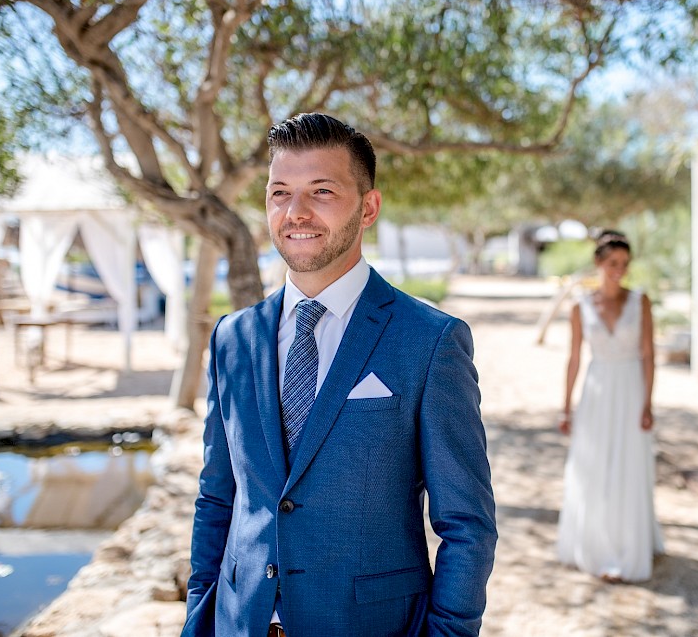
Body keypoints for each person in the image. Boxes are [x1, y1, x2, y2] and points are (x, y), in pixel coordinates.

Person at [182, 113, 497, 637]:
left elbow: (467, 525)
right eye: (279, 192)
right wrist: (199, 617)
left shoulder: (429, 340)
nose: (295, 211)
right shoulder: (231, 338)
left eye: (321, 191)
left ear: (368, 207)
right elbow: (219, 496)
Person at [556, 230, 664, 583]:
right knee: (596, 468)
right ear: (599, 263)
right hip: (596, 393)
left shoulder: (641, 302)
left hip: (631, 389)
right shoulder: (580, 307)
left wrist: (648, 402)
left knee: (630, 466)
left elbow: (648, 355)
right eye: (614, 263)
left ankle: (629, 547)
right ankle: (596, 547)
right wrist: (566, 407)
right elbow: (573, 359)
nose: (620, 270)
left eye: (625, 264)